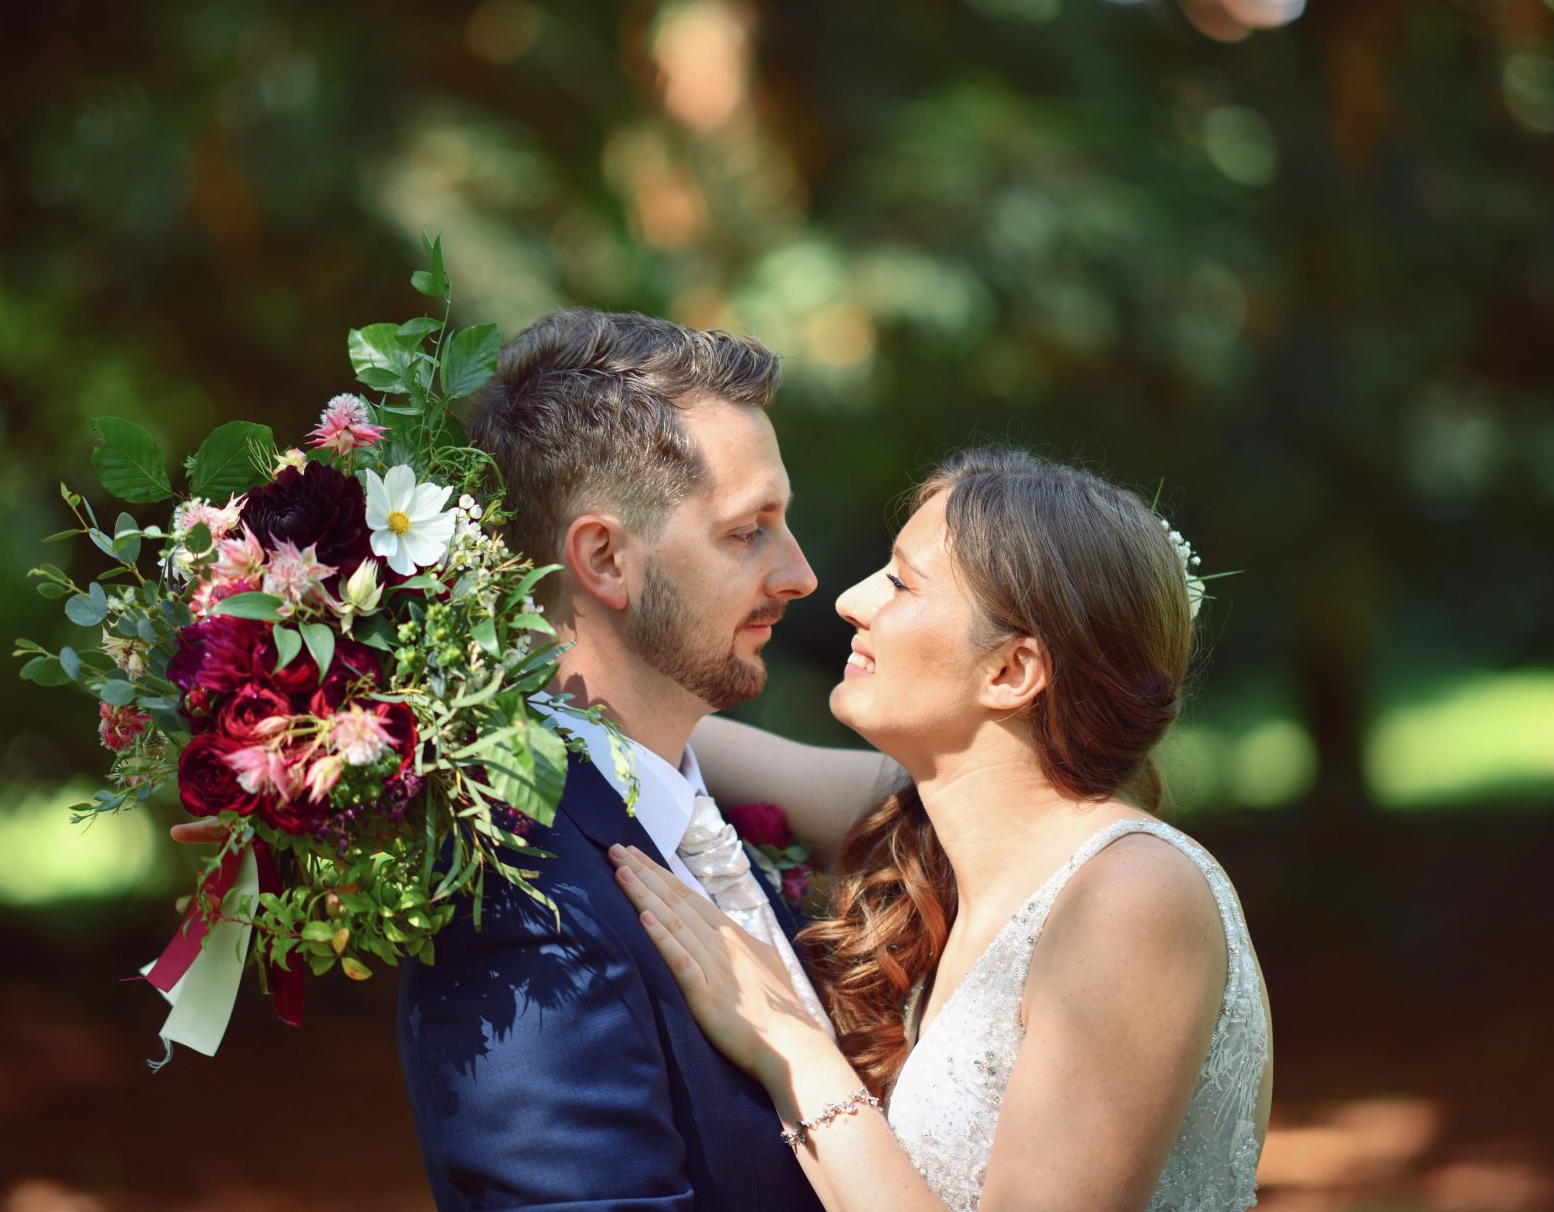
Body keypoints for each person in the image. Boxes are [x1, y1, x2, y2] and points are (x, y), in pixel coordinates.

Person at [609, 447, 1275, 1212]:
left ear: (1011, 672)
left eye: (900, 582)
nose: (850, 601)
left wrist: (788, 1042)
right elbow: (660, 734)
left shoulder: (1132, 900)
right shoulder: (923, 823)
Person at [392, 308, 830, 1210]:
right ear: (604, 558)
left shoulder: (686, 817)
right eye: (749, 530)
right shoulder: (520, 900)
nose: (800, 574)